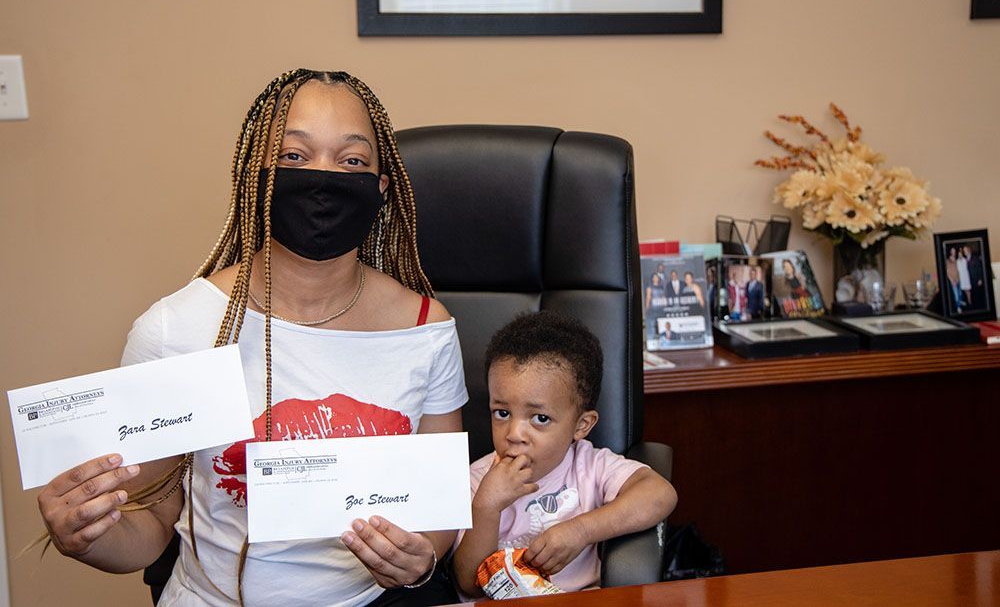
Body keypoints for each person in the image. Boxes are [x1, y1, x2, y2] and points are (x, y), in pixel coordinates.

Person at [36, 70, 468, 606]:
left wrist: (420, 555)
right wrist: (87, 534)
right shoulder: (178, 329)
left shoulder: (425, 329)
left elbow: (438, 511)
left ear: (381, 189)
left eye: (352, 161)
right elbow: (147, 525)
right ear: (254, 176)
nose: (324, 178)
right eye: (293, 156)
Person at [452, 311, 677, 596]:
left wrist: (581, 530)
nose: (514, 433)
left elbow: (660, 494)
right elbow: (467, 585)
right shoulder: (476, 480)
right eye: (502, 413)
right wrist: (486, 508)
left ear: (581, 426)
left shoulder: (590, 466)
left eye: (540, 419)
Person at [644, 272, 667, 346]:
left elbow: (664, 297)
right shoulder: (649, 287)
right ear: (652, 279)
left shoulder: (661, 287)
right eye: (654, 277)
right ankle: (653, 341)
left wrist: (665, 306)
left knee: (661, 323)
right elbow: (648, 298)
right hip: (652, 308)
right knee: (652, 324)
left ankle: (662, 340)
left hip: (661, 308)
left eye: (657, 277)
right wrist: (647, 308)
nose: (655, 278)